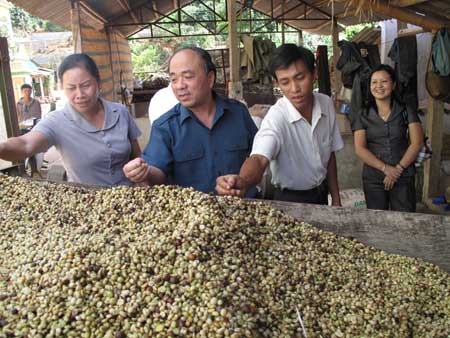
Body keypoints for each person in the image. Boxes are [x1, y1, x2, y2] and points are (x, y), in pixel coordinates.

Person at [216, 44, 344, 205]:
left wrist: (336, 198)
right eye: (285, 82)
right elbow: (259, 158)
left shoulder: (325, 104)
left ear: (314, 74)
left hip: (322, 193)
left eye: (300, 77)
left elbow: (330, 155)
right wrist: (243, 180)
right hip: (290, 200)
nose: (294, 88)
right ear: (277, 83)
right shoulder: (276, 118)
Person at [123, 47, 258, 194]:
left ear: (210, 78)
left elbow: (258, 155)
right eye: (173, 79)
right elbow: (157, 170)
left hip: (241, 206)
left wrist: (244, 180)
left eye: (187, 76)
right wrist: (143, 172)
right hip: (193, 212)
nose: (180, 86)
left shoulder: (238, 113)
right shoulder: (165, 126)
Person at [0, 53, 142, 186]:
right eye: (71, 88)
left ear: (98, 82)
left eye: (86, 85)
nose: (80, 94)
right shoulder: (56, 121)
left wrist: (139, 172)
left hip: (128, 198)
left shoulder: (120, 112)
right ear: (62, 88)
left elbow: (136, 155)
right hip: (84, 204)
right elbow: (25, 144)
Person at [351, 64, 423, 212]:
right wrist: (385, 169)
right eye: (374, 82)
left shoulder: (406, 110)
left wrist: (397, 169)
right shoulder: (363, 114)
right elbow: (360, 148)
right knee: (377, 221)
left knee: (405, 220)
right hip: (374, 178)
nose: (379, 86)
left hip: (403, 176)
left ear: (394, 84)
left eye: (384, 81)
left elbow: (417, 143)